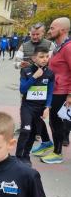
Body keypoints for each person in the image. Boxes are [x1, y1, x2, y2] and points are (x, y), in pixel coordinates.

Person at [14, 23, 55, 157]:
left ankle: (38, 137)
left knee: (37, 120)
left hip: (44, 84)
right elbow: (16, 63)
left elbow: (53, 63)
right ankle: (27, 131)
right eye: (33, 34)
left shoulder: (50, 45)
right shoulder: (24, 45)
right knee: (27, 122)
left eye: (38, 34)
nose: (35, 37)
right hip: (28, 79)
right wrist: (21, 64)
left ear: (43, 33)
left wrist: (48, 106)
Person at [42, 17, 71, 164]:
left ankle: (57, 153)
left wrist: (70, 95)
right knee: (53, 122)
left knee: (57, 123)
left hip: (62, 92)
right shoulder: (57, 47)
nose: (50, 30)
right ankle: (55, 149)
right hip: (54, 90)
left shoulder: (68, 47)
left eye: (53, 28)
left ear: (63, 30)